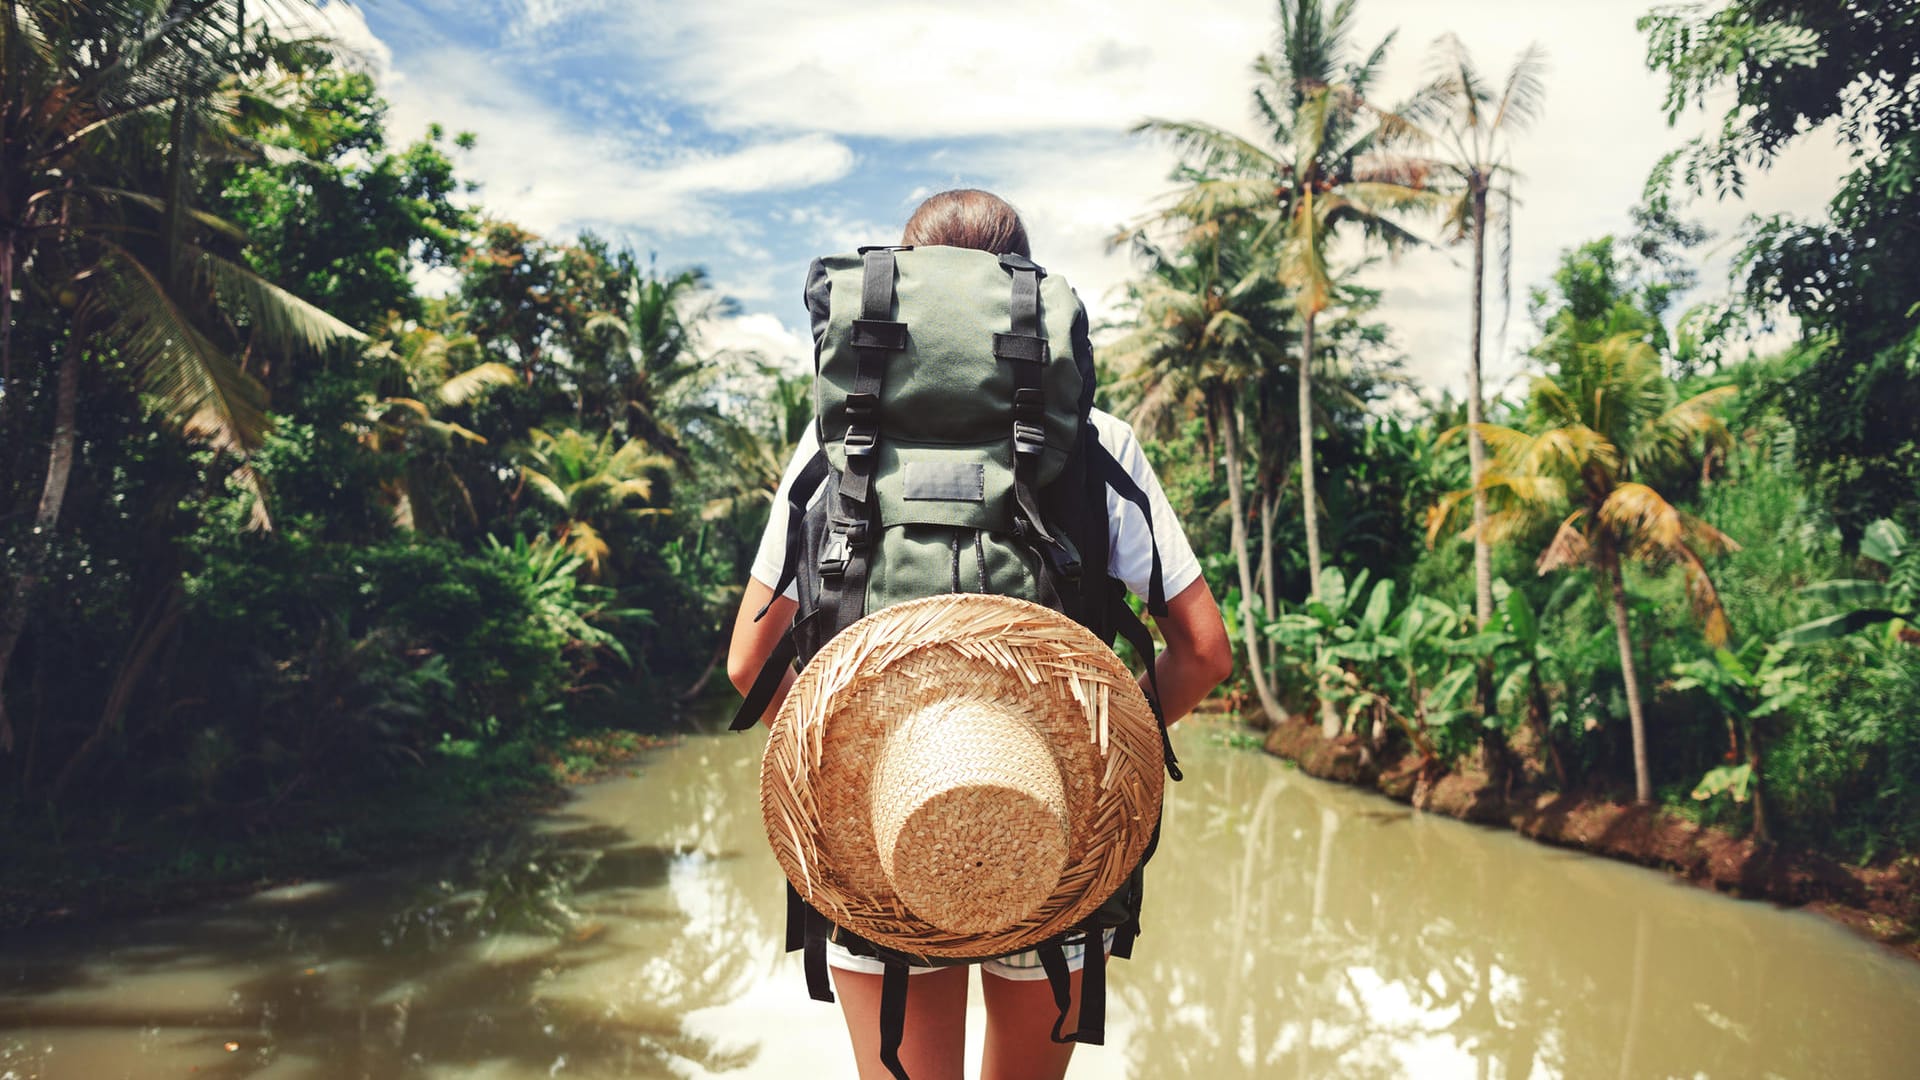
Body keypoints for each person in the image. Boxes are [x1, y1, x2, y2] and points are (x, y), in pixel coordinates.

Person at [727, 189, 1232, 1080]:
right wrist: (1100, 752)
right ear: (1023, 301)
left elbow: (748, 664)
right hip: (1055, 827)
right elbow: (1203, 650)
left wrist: (847, 773)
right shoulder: (1095, 441)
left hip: (879, 832)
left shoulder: (832, 451)